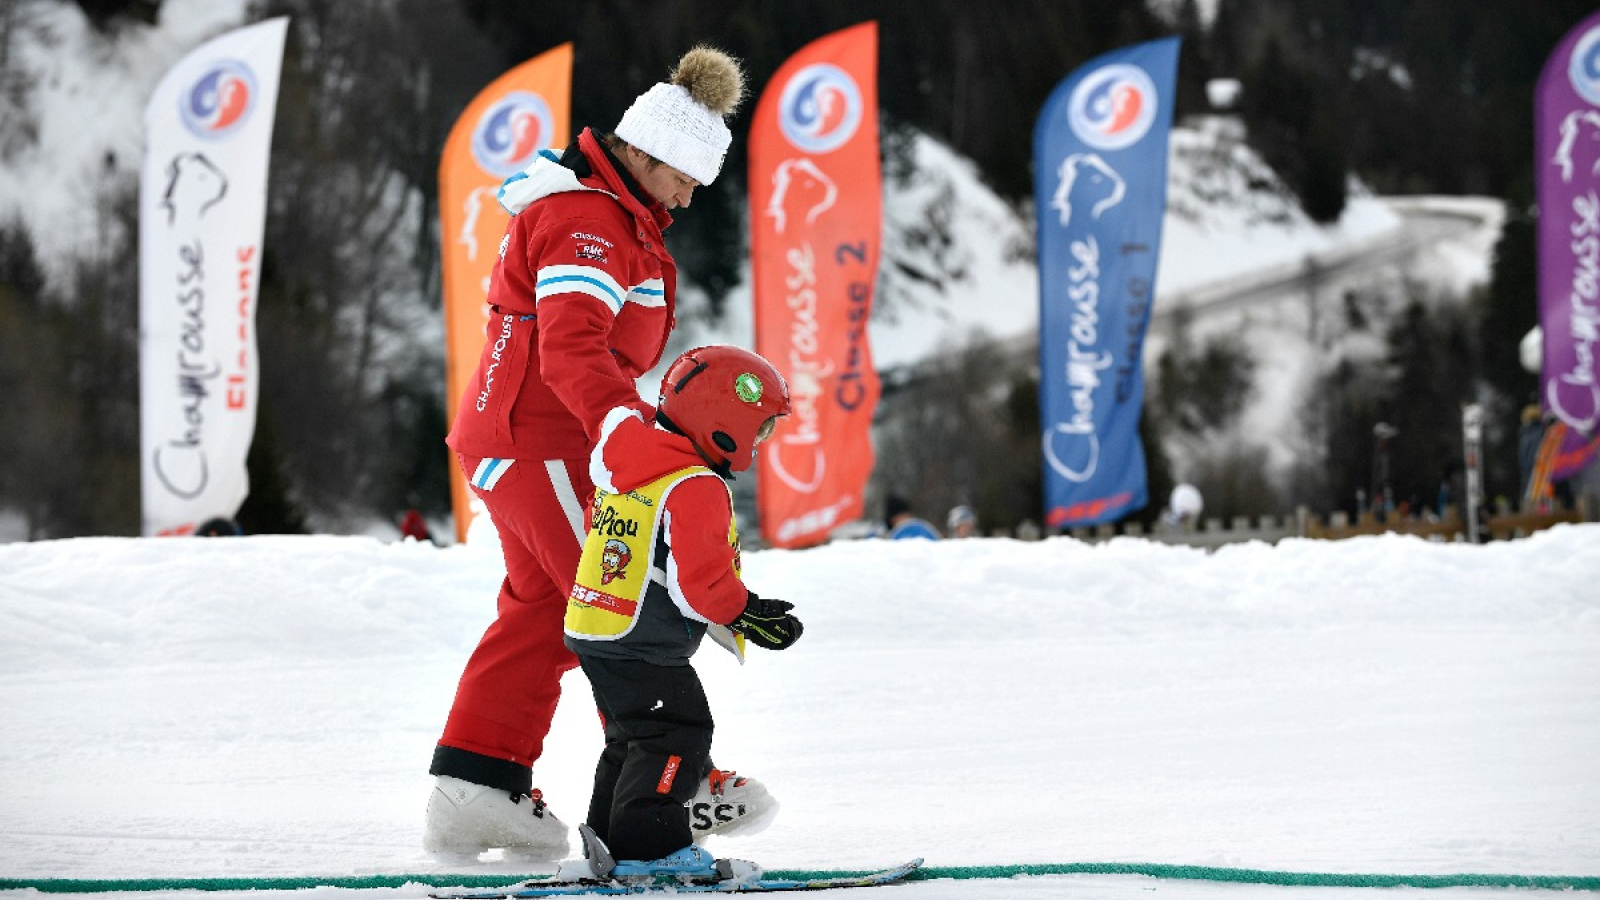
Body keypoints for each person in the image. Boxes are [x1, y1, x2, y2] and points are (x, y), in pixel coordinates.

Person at [424, 46, 769, 860]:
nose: (688, 197)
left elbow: (589, 355)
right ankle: (674, 783)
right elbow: (574, 349)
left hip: (522, 436)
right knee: (618, 603)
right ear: (645, 155)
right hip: (544, 437)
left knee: (547, 608)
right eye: (684, 178)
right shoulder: (588, 221)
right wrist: (622, 430)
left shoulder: (616, 218)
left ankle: (477, 782)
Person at [557, 345, 802, 882]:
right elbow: (701, 587)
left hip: (598, 629)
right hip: (644, 642)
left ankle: (607, 845)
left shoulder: (638, 460)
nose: (761, 444)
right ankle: (652, 850)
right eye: (760, 430)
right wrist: (750, 613)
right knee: (677, 732)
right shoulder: (694, 485)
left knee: (630, 739)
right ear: (724, 423)